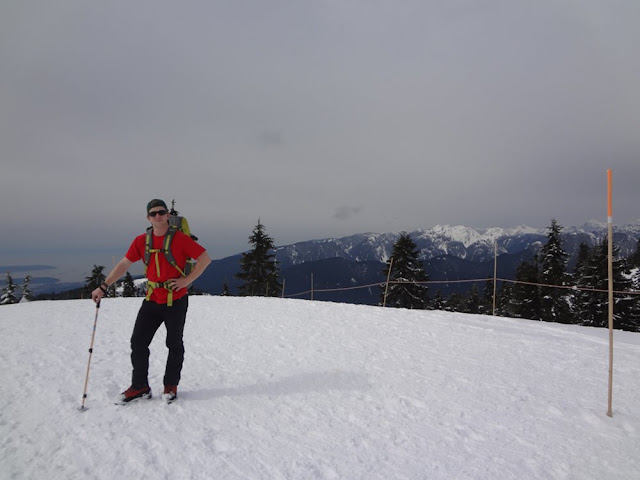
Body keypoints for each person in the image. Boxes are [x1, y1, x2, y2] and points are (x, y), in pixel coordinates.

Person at [92, 199, 211, 404]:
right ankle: (140, 386)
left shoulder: (180, 239)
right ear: (148, 217)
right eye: (153, 213)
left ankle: (170, 386)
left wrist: (187, 280)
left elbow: (205, 258)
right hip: (152, 300)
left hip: (176, 300)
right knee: (138, 342)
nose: (158, 216)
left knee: (174, 344)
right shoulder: (142, 241)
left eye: (161, 212)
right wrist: (104, 286)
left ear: (167, 215)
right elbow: (124, 264)